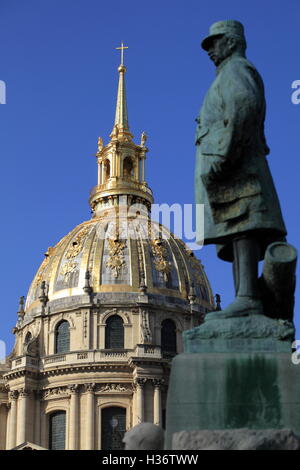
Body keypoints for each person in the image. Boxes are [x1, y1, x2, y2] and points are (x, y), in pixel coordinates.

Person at [195, 20, 286, 318]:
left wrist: (222, 156)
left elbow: (243, 108)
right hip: (235, 169)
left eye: (215, 43)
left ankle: (247, 297)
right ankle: (245, 297)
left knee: (242, 228)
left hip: (236, 170)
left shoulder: (236, 70)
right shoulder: (228, 73)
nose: (210, 50)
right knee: (237, 234)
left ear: (231, 42)